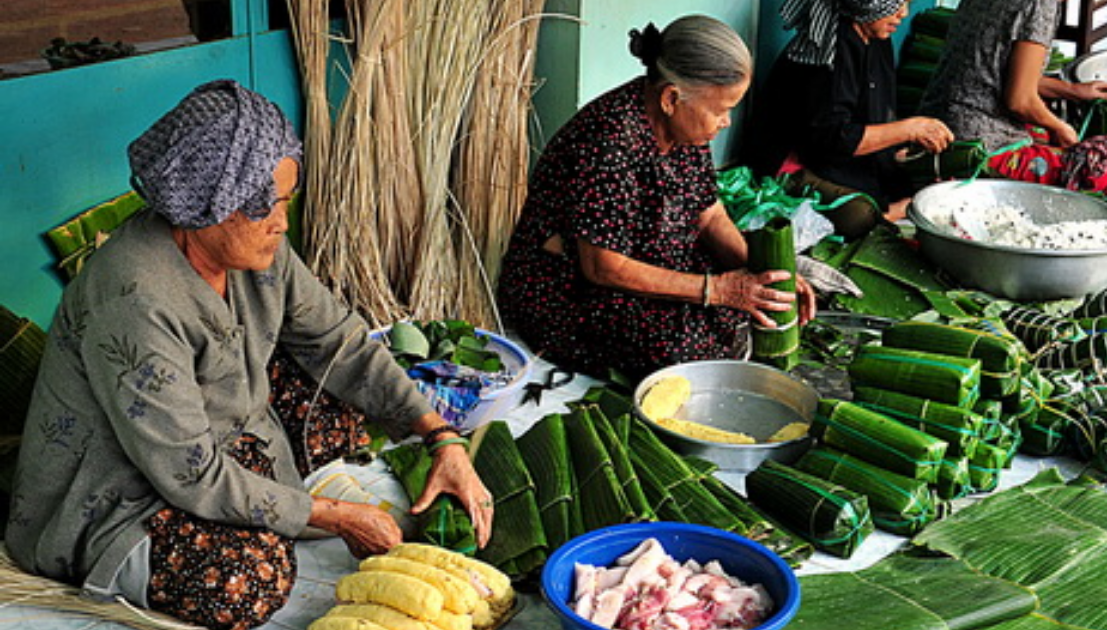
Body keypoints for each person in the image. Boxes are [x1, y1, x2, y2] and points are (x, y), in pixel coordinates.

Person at [5, 80, 493, 630]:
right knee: (250, 577)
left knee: (340, 390)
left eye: (286, 202)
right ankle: (137, 554)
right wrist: (336, 517)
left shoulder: (259, 253)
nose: (283, 222)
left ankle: (268, 492)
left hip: (220, 437)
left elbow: (339, 342)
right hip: (122, 497)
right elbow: (190, 476)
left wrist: (440, 437)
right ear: (213, 201)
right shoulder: (135, 299)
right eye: (271, 205)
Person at [498, 15, 817, 382]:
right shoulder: (608, 143)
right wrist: (718, 290)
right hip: (568, 284)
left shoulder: (685, 130)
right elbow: (604, 267)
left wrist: (762, 272)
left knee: (742, 303)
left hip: (647, 255)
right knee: (680, 350)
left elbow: (709, 216)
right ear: (671, 98)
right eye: (721, 110)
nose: (726, 122)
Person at [745, 0, 954, 237]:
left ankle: (891, 210)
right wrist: (911, 129)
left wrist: (903, 154)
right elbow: (834, 140)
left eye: (907, 3)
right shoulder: (829, 52)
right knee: (860, 215)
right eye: (897, 3)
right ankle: (888, 215)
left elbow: (871, 120)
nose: (903, 14)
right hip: (796, 163)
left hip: (837, 156)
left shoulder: (877, 40)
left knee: (920, 184)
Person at [918, 0, 1107, 191]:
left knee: (1049, 135)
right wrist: (1060, 127)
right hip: (971, 144)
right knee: (1105, 176)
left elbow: (998, 72)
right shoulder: (1039, 5)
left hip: (938, 120)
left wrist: (1072, 90)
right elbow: (1020, 101)